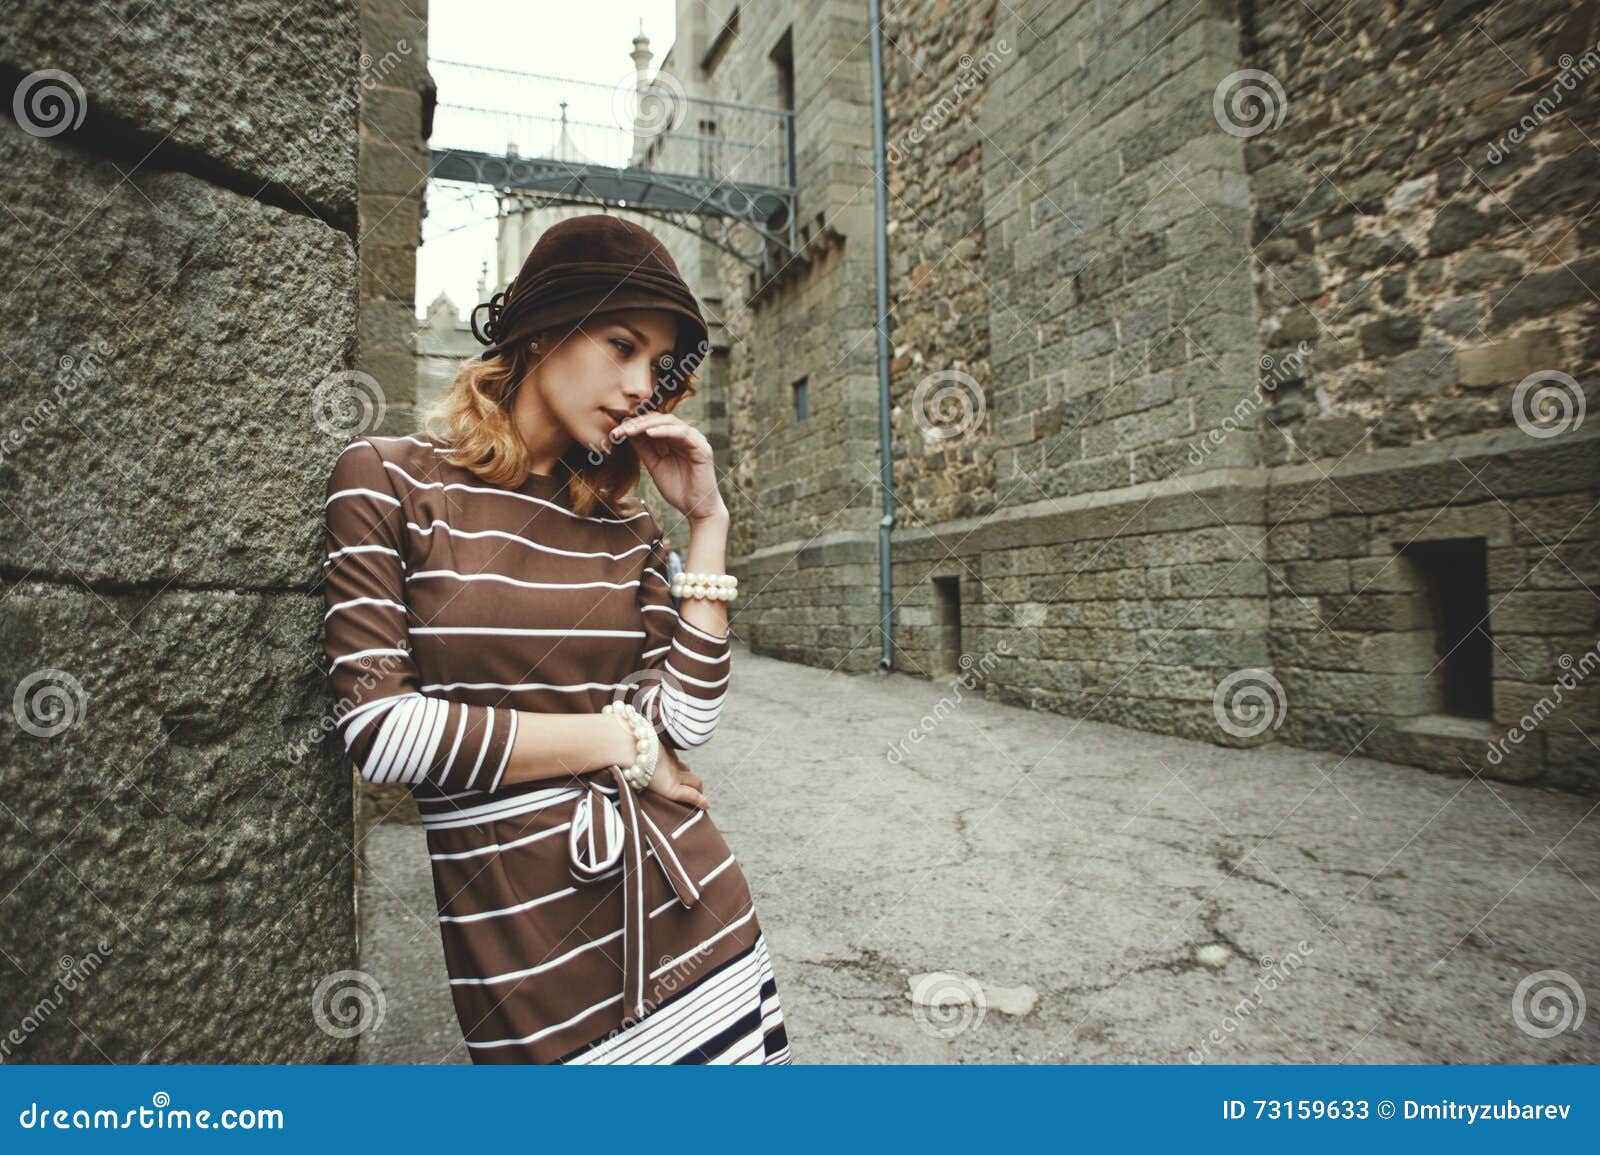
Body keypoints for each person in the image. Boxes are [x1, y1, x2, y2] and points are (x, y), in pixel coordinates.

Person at [321, 214, 790, 1064]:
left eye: (658, 367)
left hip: (694, 910)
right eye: (622, 345)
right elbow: (382, 733)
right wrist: (618, 740)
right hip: (521, 947)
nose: (642, 383)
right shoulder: (386, 479)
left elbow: (683, 723)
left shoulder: (630, 530)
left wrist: (707, 521)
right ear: (543, 328)